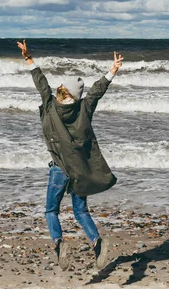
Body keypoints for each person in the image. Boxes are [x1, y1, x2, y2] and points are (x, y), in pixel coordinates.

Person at [16, 39, 123, 271]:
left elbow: (40, 82)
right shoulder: (84, 108)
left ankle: (59, 243)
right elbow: (97, 92)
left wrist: (28, 57)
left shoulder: (50, 104)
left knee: (51, 210)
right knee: (80, 211)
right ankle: (96, 242)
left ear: (61, 90)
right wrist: (112, 70)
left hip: (59, 169)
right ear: (76, 96)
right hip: (80, 171)